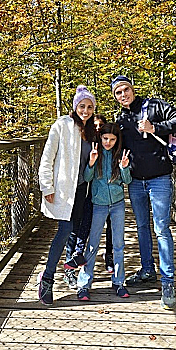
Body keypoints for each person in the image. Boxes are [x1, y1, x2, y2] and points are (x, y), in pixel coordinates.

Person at [112, 75, 176, 309]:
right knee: (142, 227)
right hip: (136, 181)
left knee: (162, 228)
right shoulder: (121, 118)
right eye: (118, 92)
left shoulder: (154, 106)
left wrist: (156, 127)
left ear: (133, 90)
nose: (123, 94)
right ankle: (148, 270)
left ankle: (168, 282)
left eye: (126, 89)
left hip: (159, 178)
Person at [37, 85, 96, 305]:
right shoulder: (62, 125)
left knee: (74, 231)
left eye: (90, 107)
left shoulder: (91, 131)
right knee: (65, 230)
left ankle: (67, 270)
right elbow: (47, 156)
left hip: (82, 190)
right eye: (82, 106)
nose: (86, 110)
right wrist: (46, 186)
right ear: (75, 106)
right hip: (63, 189)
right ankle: (47, 278)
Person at [76, 122, 131, 300]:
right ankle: (84, 284)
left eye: (112, 139)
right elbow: (87, 177)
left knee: (118, 244)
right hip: (98, 204)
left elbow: (127, 181)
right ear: (100, 137)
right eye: (105, 138)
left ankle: (118, 282)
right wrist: (91, 162)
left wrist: (124, 167)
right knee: (92, 244)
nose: (108, 142)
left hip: (117, 204)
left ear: (117, 140)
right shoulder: (96, 153)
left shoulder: (119, 155)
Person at [63, 114, 112, 289]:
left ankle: (110, 258)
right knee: (77, 226)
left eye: (101, 125)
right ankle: (71, 264)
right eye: (96, 125)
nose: (98, 128)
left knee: (110, 225)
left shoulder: (109, 144)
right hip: (81, 188)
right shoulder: (84, 138)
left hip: (103, 193)